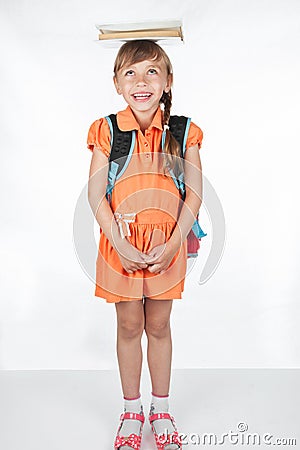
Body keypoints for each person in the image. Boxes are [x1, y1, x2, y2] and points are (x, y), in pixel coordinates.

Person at [86, 39, 204, 450]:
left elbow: (195, 195)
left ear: (168, 81)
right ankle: (132, 410)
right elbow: (95, 194)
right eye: (130, 73)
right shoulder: (108, 130)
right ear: (117, 83)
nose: (141, 81)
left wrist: (173, 245)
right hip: (121, 242)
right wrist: (117, 241)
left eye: (152, 71)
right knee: (128, 324)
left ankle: (162, 408)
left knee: (158, 324)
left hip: (166, 243)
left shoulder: (183, 130)